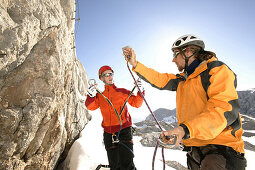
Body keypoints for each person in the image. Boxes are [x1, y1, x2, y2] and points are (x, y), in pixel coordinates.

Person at [124, 34, 247, 170]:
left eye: (176, 54)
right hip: (195, 152)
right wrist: (135, 64)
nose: (173, 59)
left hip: (221, 151)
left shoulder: (216, 70)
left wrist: (185, 130)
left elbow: (222, 110)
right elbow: (160, 79)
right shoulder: (184, 79)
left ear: (188, 51)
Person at [85, 65, 145, 170]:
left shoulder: (121, 92)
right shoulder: (99, 96)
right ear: (101, 78)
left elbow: (136, 103)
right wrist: (90, 96)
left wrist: (141, 91)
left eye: (111, 74)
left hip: (124, 131)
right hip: (109, 134)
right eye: (106, 74)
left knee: (127, 165)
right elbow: (90, 107)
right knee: (115, 166)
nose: (110, 76)